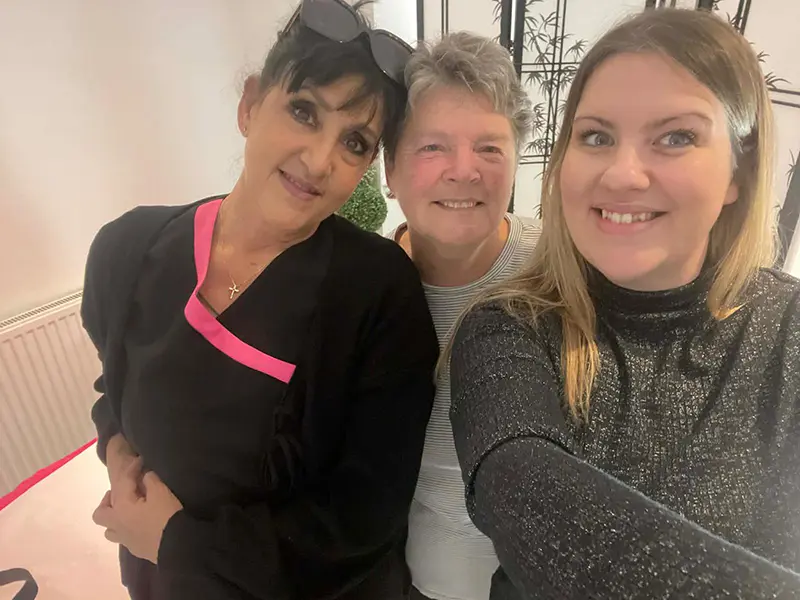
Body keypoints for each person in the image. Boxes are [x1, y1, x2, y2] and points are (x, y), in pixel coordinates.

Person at [83, 1, 439, 598]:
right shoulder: (127, 250)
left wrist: (178, 542)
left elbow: (364, 517)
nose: (319, 161)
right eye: (304, 111)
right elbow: (113, 391)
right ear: (250, 104)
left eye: (354, 142)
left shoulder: (378, 294)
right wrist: (116, 452)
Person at [449, 8, 800, 599]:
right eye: (596, 136)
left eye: (676, 137)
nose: (623, 174)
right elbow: (519, 491)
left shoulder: (788, 332)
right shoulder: (506, 329)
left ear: (737, 173)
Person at [383, 32, 540, 600]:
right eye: (433, 146)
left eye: (490, 148)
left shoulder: (558, 272)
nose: (464, 170)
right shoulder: (362, 291)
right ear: (390, 168)